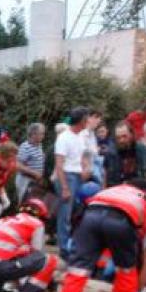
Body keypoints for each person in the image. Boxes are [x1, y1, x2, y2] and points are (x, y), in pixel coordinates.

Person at [51, 181, 146, 292]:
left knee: (78, 270)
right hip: (120, 222)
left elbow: (82, 211)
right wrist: (138, 291)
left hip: (89, 217)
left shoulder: (112, 190)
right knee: (126, 270)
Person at [54, 106, 90, 259]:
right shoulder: (64, 138)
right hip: (67, 176)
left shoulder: (81, 136)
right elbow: (59, 164)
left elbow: (81, 155)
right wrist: (64, 187)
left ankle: (73, 244)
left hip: (77, 176)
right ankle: (64, 248)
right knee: (65, 214)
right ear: (81, 121)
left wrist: (85, 167)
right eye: (86, 119)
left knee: (76, 213)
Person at [15, 123, 46, 202]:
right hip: (25, 180)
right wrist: (34, 173)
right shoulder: (25, 146)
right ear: (33, 134)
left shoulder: (39, 145)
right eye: (41, 133)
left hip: (34, 181)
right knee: (24, 204)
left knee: (32, 204)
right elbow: (18, 165)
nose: (43, 136)